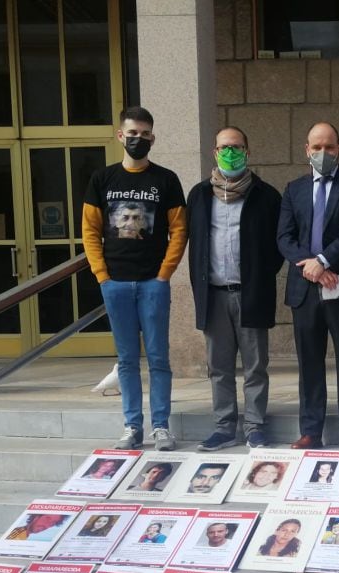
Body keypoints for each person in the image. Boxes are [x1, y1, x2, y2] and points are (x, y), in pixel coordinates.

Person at [82, 105, 187, 452]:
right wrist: (102, 276)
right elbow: (90, 231)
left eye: (144, 134)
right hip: (116, 284)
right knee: (126, 360)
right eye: (132, 133)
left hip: (152, 284)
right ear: (120, 135)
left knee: (158, 358)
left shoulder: (166, 180)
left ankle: (160, 426)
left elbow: (179, 230)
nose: (137, 139)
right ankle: (132, 425)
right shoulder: (102, 179)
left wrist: (163, 275)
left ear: (152, 138)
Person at [277, 121, 339, 452]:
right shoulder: (294, 189)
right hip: (305, 288)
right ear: (307, 150)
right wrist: (313, 266)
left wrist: (325, 260)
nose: (323, 153)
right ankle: (310, 430)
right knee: (309, 362)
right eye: (316, 147)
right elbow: (285, 237)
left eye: (329, 147)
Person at [188, 126, 284, 452]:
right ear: (215, 152)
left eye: (237, 147)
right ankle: (224, 427)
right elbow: (196, 245)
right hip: (213, 294)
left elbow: (277, 247)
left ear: (247, 151)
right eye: (225, 147)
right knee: (219, 367)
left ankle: (255, 427)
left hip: (251, 293)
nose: (231, 152)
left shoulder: (266, 195)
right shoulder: (199, 196)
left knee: (256, 366)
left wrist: (258, 277)